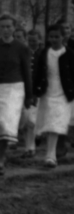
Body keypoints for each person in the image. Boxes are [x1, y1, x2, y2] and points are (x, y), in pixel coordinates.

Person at [0, 13, 34, 176]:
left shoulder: (22, 48)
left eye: (9, 26)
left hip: (14, 89)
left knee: (5, 123)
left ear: (14, 28)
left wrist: (29, 96)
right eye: (2, 26)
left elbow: (27, 73)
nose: (5, 30)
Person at [32, 23, 72, 169]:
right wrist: (35, 92)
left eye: (57, 36)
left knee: (56, 122)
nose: (54, 39)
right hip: (47, 91)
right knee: (48, 121)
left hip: (63, 92)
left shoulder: (70, 54)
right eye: (51, 36)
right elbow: (38, 72)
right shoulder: (44, 53)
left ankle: (51, 155)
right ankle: (48, 149)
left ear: (63, 37)